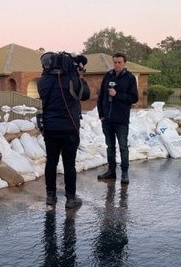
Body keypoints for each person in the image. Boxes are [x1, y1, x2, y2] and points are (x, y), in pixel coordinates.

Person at [37, 52, 90, 208]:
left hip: (50, 129)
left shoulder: (42, 81)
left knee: (51, 162)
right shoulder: (73, 79)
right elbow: (85, 95)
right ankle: (71, 198)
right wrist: (78, 75)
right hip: (69, 129)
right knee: (69, 164)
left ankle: (50, 196)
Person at [97, 52, 138, 185]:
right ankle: (111, 171)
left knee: (123, 147)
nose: (117, 64)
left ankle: (124, 172)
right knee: (110, 146)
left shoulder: (130, 78)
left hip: (121, 120)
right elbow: (101, 96)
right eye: (115, 62)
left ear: (124, 63)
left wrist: (117, 94)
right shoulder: (108, 76)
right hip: (107, 119)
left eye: (119, 62)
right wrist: (101, 115)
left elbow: (134, 98)